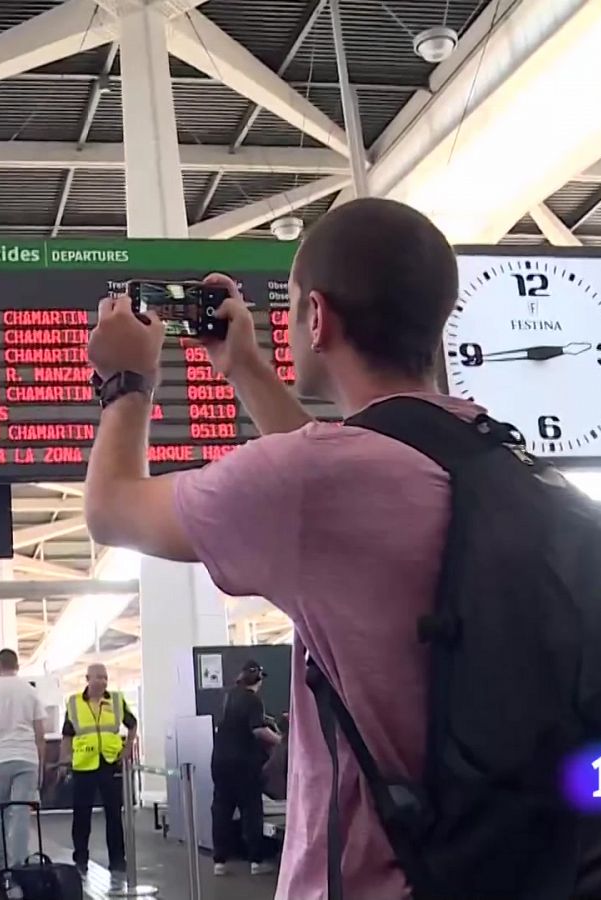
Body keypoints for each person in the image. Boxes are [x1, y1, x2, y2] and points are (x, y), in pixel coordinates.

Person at [81, 197, 464, 897]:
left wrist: (125, 386)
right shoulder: (493, 452)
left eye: (289, 309)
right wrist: (244, 369)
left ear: (318, 319)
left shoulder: (315, 481)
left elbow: (110, 511)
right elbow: (330, 476)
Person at [61, 662, 136, 875]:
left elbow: (132, 724)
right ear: (88, 679)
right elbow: (67, 734)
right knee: (81, 814)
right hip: (84, 765)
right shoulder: (74, 703)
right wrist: (66, 758)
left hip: (110, 763)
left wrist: (128, 749)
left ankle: (117, 860)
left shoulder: (116, 700)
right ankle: (81, 858)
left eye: (105, 677)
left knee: (114, 814)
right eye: (98, 677)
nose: (103, 681)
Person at [210, 660, 281, 877]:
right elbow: (258, 731)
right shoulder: (253, 700)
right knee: (251, 810)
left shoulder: (228, 696)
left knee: (222, 809)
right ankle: (256, 861)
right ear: (258, 679)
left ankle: (219, 861)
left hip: (220, 761)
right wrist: (281, 741)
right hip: (244, 763)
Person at [0, 648, 47, 875]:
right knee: (19, 812)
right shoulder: (30, 692)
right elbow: (40, 733)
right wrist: (41, 764)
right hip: (27, 757)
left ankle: (1, 867)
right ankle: (19, 866)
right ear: (17, 665)